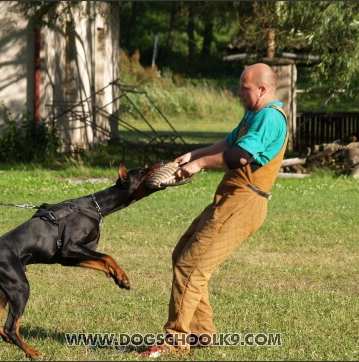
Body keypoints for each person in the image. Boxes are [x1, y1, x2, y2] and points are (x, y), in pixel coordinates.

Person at [140, 63, 289, 357]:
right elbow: (229, 142)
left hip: (244, 202)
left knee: (191, 266)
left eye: (244, 88)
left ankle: (175, 341)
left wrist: (199, 165)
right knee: (183, 253)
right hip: (231, 197)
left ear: (261, 89)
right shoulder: (254, 114)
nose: (238, 92)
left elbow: (240, 157)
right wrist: (193, 154)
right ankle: (201, 334)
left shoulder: (271, 117)